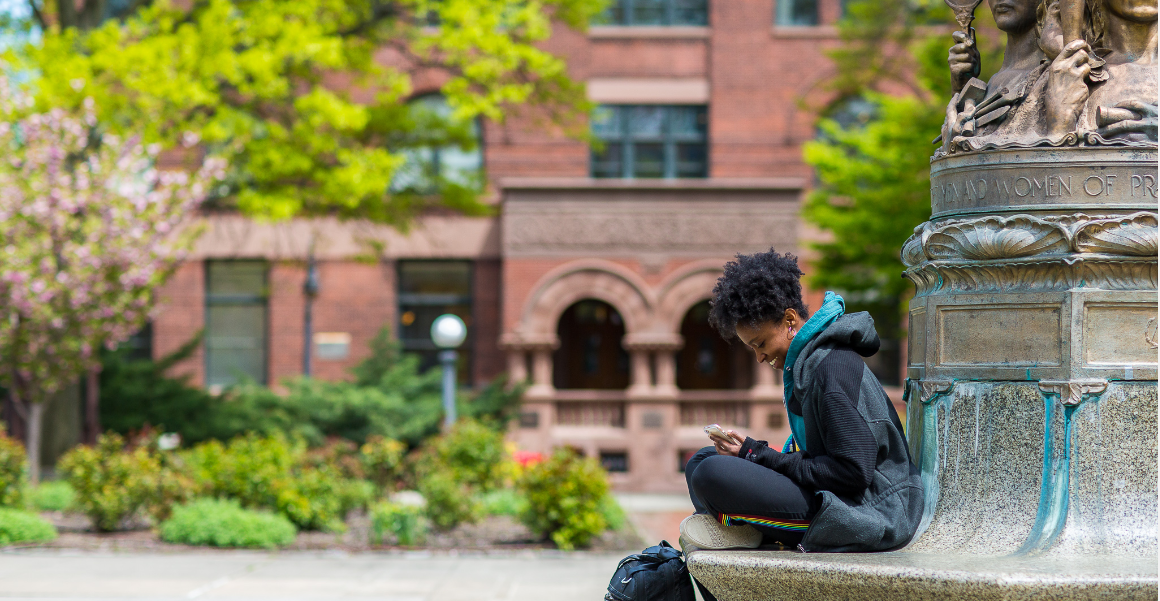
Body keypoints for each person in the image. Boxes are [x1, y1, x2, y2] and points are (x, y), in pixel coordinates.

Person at [678, 249, 924, 598]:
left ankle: (746, 528)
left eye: (761, 343)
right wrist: (748, 452)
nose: (760, 356)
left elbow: (853, 473)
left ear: (790, 321)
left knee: (711, 474)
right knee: (702, 460)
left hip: (867, 512)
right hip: (837, 497)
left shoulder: (831, 369)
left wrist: (757, 454)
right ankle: (745, 528)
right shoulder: (811, 364)